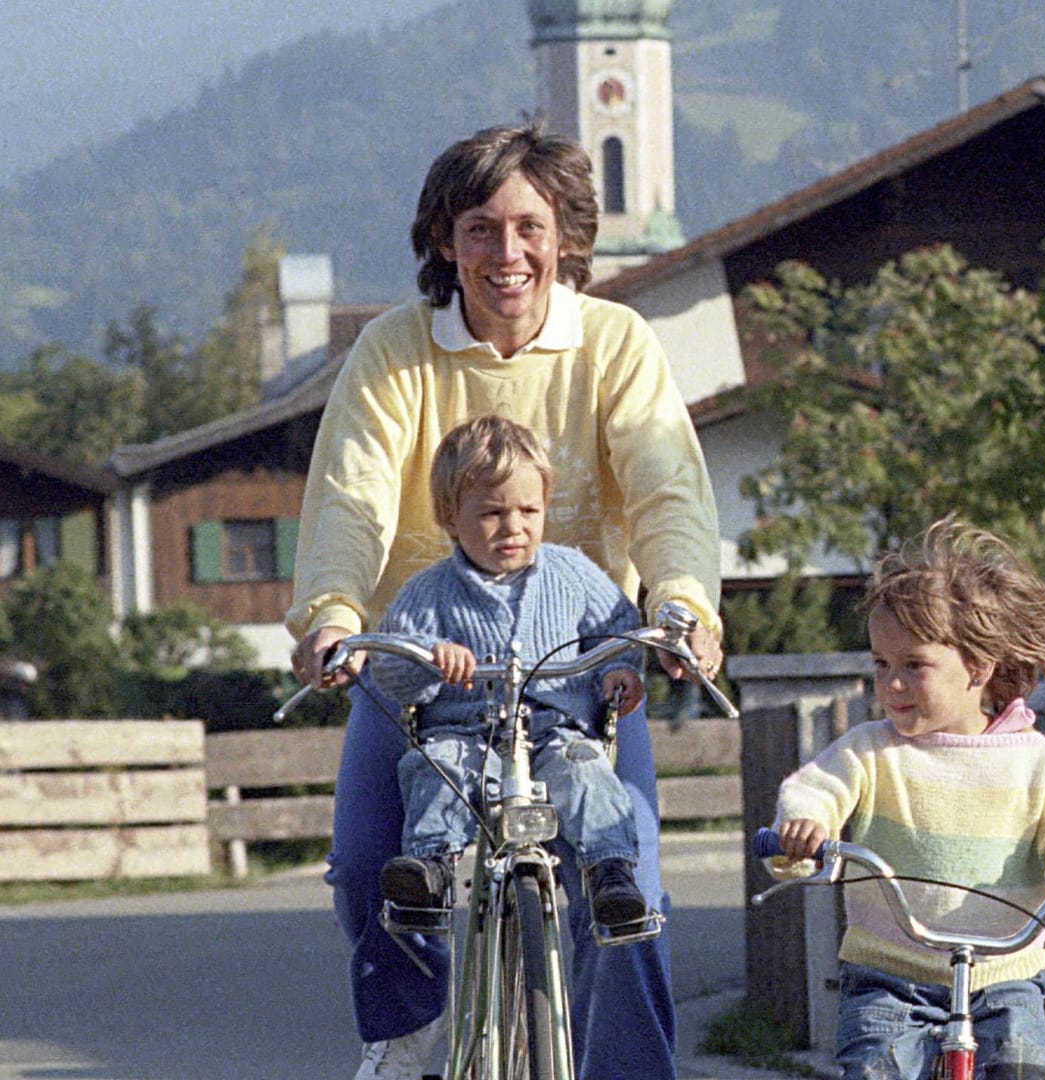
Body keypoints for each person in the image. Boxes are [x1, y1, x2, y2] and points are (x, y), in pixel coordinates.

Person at [287, 122, 722, 1080]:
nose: (507, 253)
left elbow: (665, 491)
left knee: (630, 887)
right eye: (479, 228)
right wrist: (333, 615)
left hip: (576, 664)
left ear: (566, 235)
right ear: (444, 241)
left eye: (529, 227)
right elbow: (352, 500)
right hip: (420, 663)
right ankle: (412, 1035)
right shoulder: (394, 351)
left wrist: (685, 607)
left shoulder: (614, 343)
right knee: (370, 870)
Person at [771, 519, 1045, 1080]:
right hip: (888, 974)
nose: (892, 684)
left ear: (978, 668)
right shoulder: (871, 750)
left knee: (1019, 1060)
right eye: (881, 665)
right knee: (875, 1066)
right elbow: (816, 789)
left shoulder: (1031, 759)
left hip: (1004, 973)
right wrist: (806, 828)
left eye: (913, 666)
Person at [365, 415, 651, 929]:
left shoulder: (572, 572)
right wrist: (431, 658)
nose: (513, 527)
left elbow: (617, 628)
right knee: (440, 770)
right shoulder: (429, 590)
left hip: (556, 730)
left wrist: (619, 669)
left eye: (529, 510)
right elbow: (391, 661)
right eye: (492, 513)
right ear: (450, 518)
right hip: (463, 730)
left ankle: (612, 871)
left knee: (586, 770)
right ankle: (431, 867)